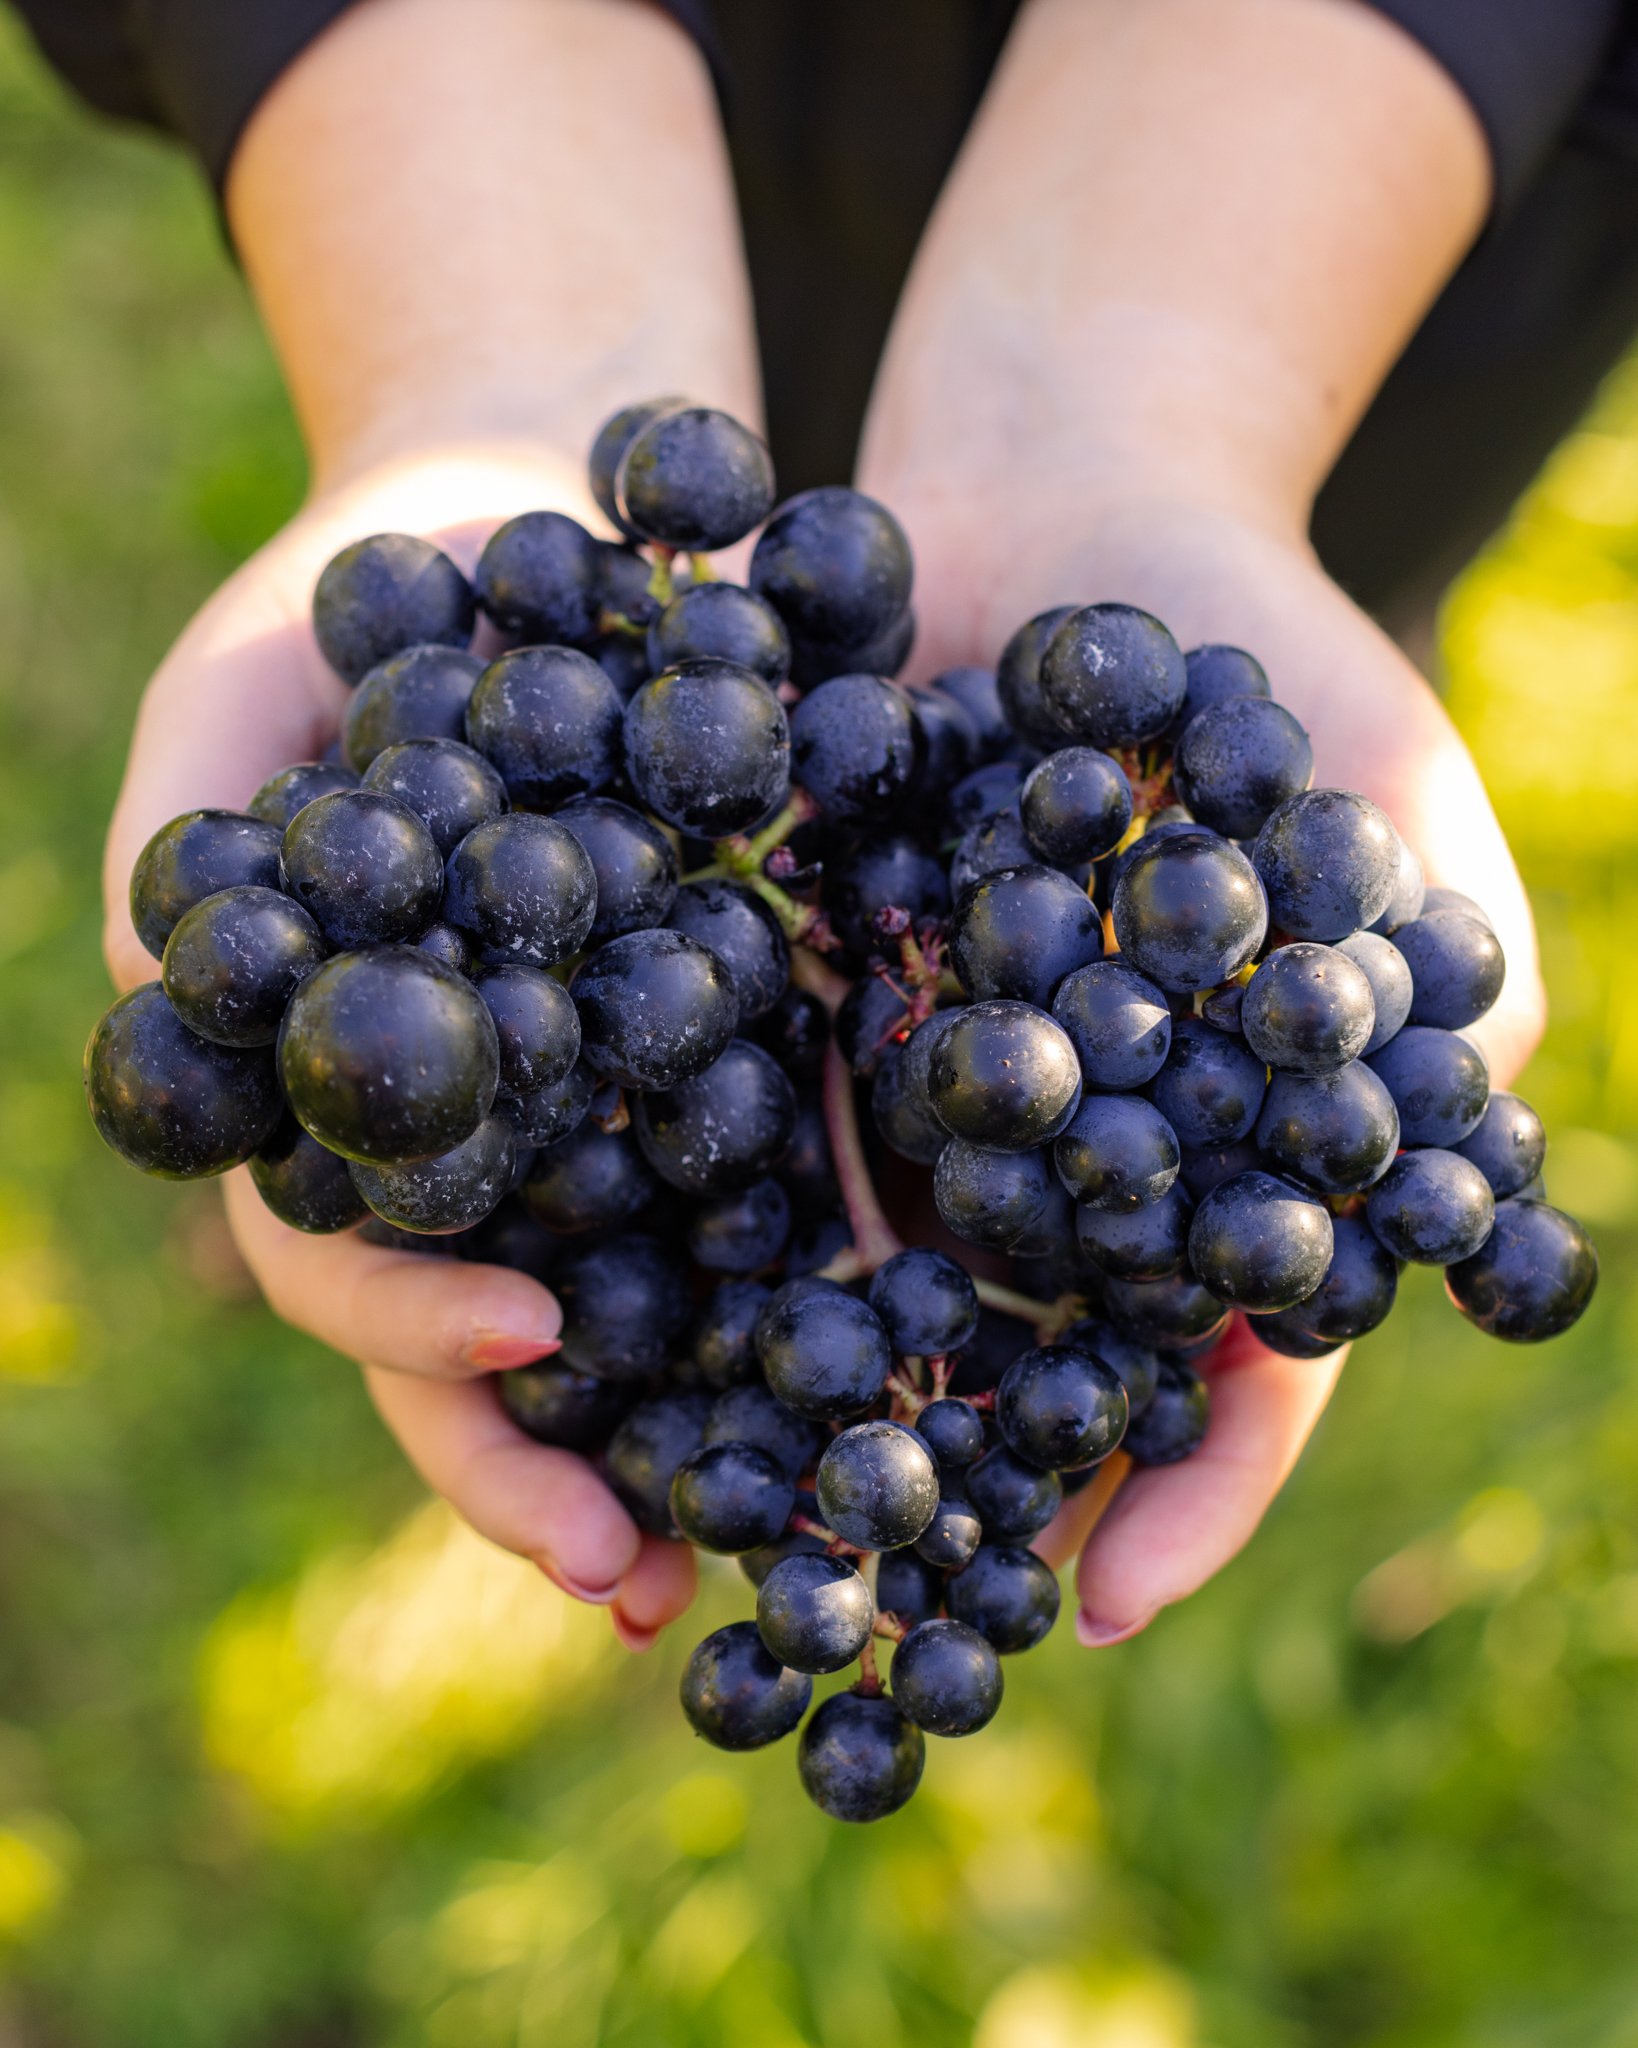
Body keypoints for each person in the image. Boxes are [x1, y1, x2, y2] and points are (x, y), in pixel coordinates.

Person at [20, 0, 1632, 1653]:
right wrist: (469, 378)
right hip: (509, 147)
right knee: (473, 1210)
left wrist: (1148, 417)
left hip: (1309, 198)